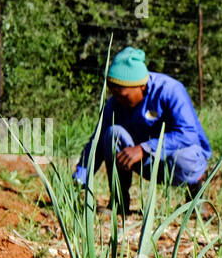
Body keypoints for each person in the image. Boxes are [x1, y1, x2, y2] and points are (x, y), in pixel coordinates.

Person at [73, 46, 211, 213]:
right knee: (112, 134)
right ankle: (119, 204)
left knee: (184, 155)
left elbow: (188, 134)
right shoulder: (115, 103)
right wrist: (80, 179)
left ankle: (195, 199)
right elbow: (95, 144)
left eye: (123, 95)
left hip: (178, 162)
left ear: (141, 86)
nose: (117, 99)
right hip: (146, 163)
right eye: (113, 92)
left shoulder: (171, 90)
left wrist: (145, 148)